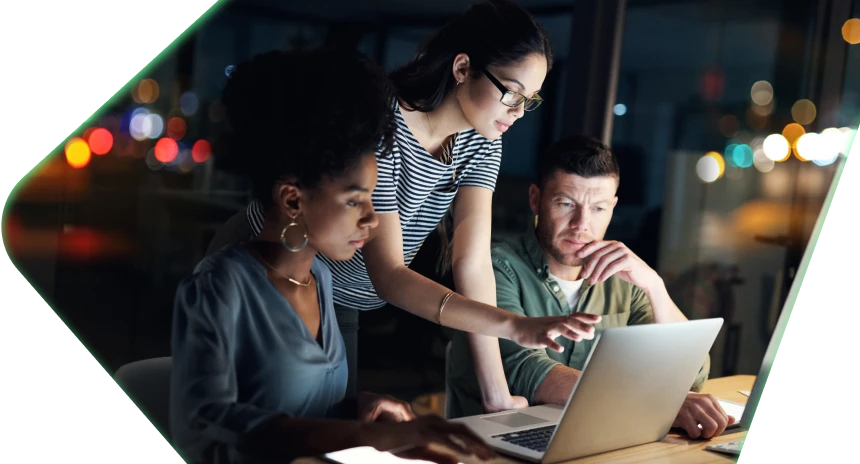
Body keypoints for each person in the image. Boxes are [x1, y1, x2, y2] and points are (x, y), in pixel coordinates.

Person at [205, 0, 600, 413]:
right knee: (259, 418)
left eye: (530, 100)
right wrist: (513, 325)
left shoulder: (483, 142)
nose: (519, 112)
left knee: (330, 422)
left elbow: (473, 264)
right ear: (463, 68)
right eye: (512, 93)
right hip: (277, 261)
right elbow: (389, 274)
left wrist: (495, 393)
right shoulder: (381, 122)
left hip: (344, 293)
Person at [169, 48, 499, 464]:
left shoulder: (320, 280)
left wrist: (359, 409)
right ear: (292, 200)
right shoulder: (219, 287)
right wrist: (363, 435)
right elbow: (206, 424)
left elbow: (301, 409)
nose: (372, 220)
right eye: (354, 202)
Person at [445, 135, 736, 439]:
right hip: (491, 449)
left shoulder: (624, 277)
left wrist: (655, 285)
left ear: (613, 207)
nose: (581, 223)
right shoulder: (496, 267)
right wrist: (651, 401)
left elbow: (694, 372)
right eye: (566, 203)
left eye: (598, 208)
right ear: (536, 200)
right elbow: (522, 368)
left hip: (591, 441)